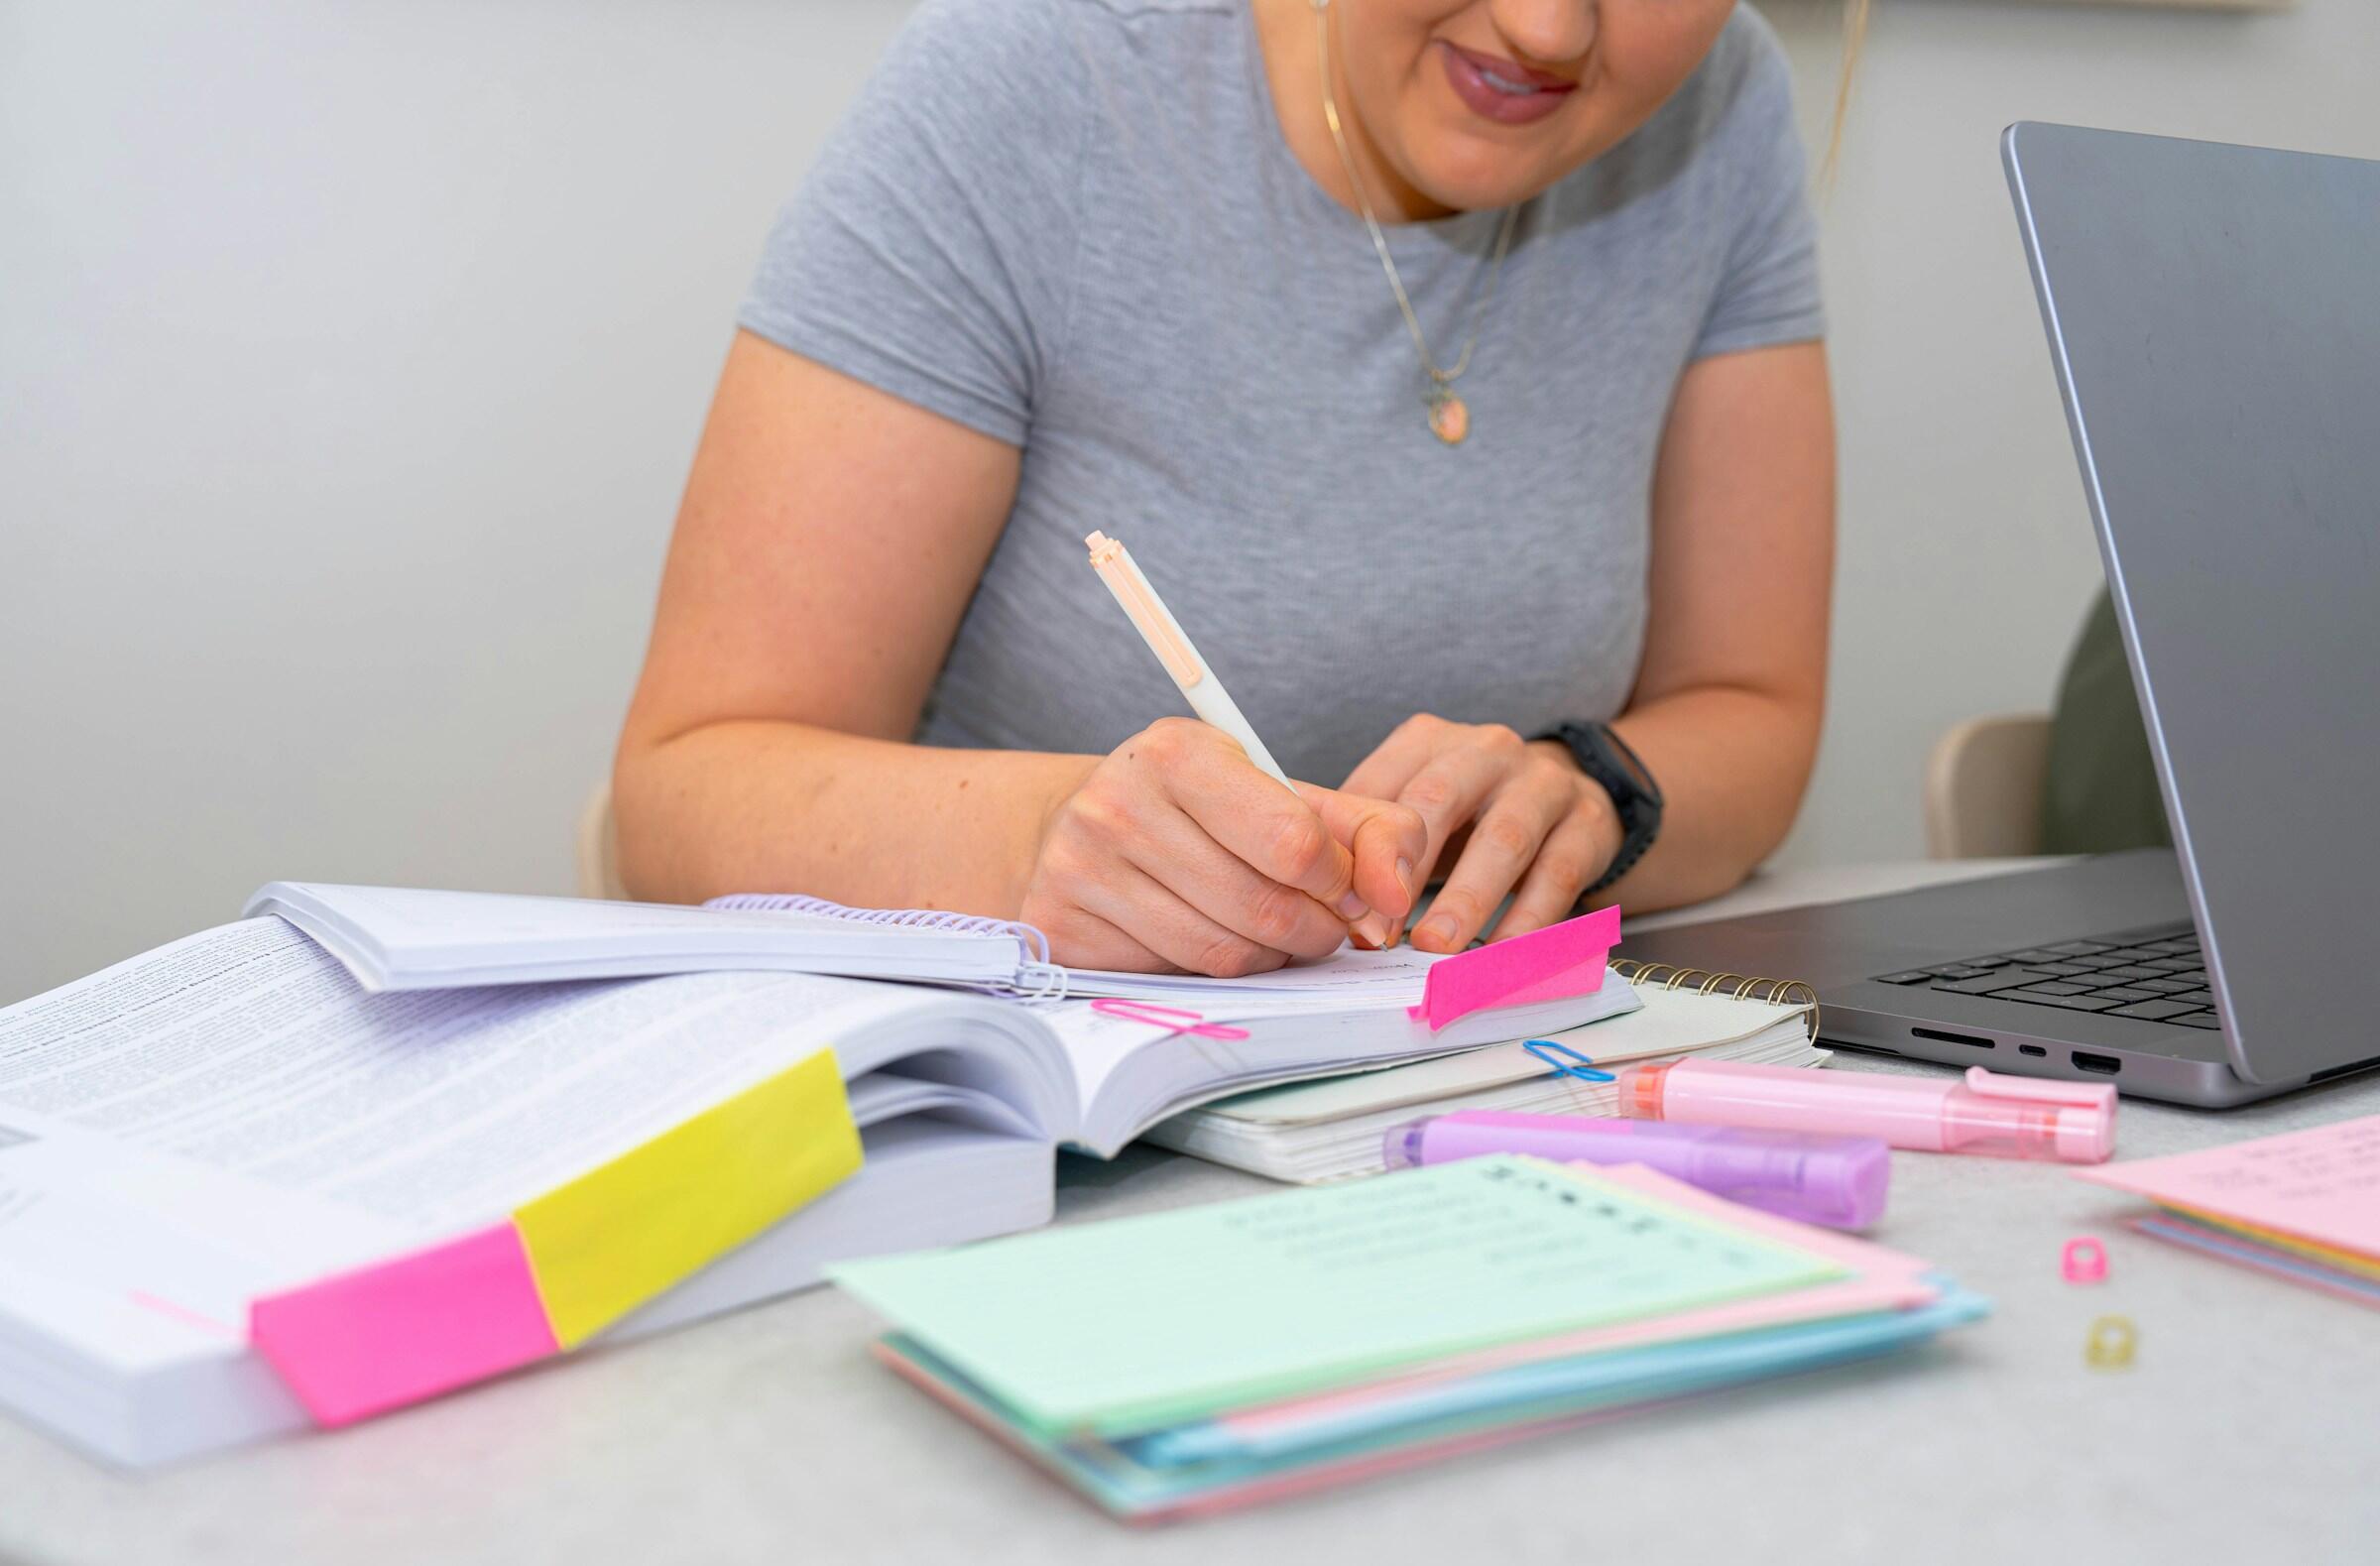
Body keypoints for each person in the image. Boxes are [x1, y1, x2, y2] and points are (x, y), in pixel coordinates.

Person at [615, 0, 1855, 976]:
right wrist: (1044, 836)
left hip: (1456, 1100)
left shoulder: (1718, 100)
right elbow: (678, 792)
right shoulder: (1033, 78)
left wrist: (1592, 788)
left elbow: (1750, 712)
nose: (1547, 29)